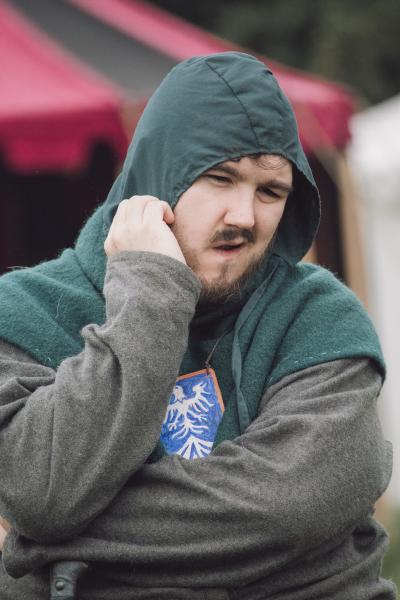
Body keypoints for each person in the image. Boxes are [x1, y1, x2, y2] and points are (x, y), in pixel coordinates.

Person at [0, 52, 395, 599]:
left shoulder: (318, 315)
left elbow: (286, 508)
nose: (244, 216)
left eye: (270, 191)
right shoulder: (24, 311)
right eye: (219, 178)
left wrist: (52, 549)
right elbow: (42, 489)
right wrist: (151, 290)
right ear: (155, 178)